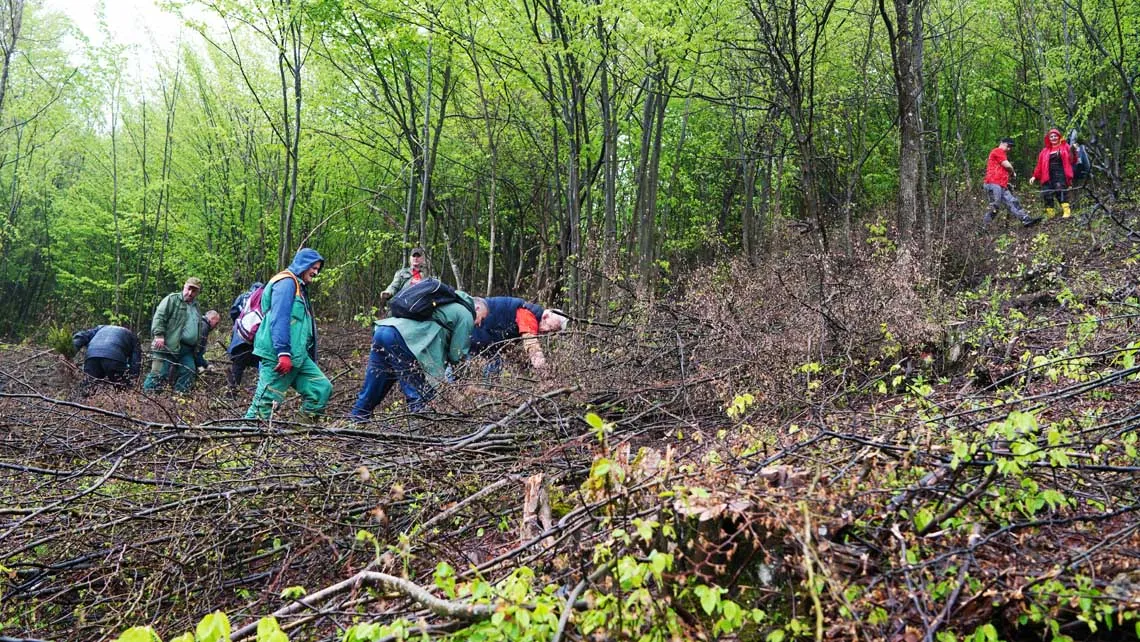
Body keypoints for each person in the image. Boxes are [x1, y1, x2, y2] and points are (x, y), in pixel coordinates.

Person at [350, 292, 487, 420]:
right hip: (404, 340)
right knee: (421, 394)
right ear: (478, 307)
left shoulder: (445, 302)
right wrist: (463, 380)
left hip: (384, 330)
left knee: (372, 389)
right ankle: (420, 434)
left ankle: (353, 423)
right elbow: (457, 355)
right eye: (482, 318)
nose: (479, 323)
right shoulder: (466, 314)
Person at [245, 249, 332, 420]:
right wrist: (283, 353)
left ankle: (300, 433)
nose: (315, 272)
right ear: (302, 264)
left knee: (320, 389)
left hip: (298, 356)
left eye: (317, 269)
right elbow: (279, 318)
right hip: (279, 356)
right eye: (313, 267)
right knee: (264, 404)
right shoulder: (286, 282)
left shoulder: (300, 287)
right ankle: (244, 441)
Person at [469, 297, 569, 373]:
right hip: (473, 337)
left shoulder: (528, 312)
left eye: (552, 331)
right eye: (549, 327)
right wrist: (543, 370)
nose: (547, 332)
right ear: (546, 316)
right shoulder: (528, 315)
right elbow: (531, 343)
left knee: (494, 368)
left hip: (487, 345)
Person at [143, 277, 204, 393]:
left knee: (189, 370)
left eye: (194, 291)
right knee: (159, 373)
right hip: (167, 344)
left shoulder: (196, 307)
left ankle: (178, 399)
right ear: (184, 286)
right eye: (189, 289)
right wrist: (159, 335)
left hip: (187, 349)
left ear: (198, 292)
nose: (190, 293)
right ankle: (146, 400)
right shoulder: (172, 300)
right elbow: (160, 316)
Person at [982, 137, 1040, 228]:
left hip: (1001, 184)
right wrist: (1012, 173)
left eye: (1011, 147)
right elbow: (1007, 165)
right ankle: (983, 227)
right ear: (1002, 143)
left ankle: (1026, 219)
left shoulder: (1002, 153)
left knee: (1013, 201)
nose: (1009, 149)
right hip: (993, 183)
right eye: (1008, 146)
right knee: (995, 206)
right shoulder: (997, 151)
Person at [71, 325, 142, 386]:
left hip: (92, 356)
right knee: (121, 388)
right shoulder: (133, 337)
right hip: (115, 357)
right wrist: (132, 381)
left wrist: (70, 351)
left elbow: (81, 336)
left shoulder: (100, 328)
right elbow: (135, 363)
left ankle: (79, 401)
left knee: (88, 387)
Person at [1029, 128, 1075, 219]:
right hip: (1047, 176)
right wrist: (1034, 176)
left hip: (1061, 174)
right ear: (1049, 138)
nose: (1053, 138)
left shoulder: (1065, 147)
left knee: (1060, 191)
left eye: (1055, 136)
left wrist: (1074, 151)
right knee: (1047, 194)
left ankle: (1066, 211)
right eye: (1051, 136)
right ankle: (1051, 214)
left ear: (1059, 137)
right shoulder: (1044, 151)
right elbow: (1039, 165)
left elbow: (1073, 159)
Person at [226, 282, 263, 392]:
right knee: (261, 360)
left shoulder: (243, 296)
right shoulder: (264, 296)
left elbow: (233, 312)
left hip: (241, 335)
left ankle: (232, 391)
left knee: (238, 362)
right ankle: (260, 389)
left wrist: (239, 324)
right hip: (257, 334)